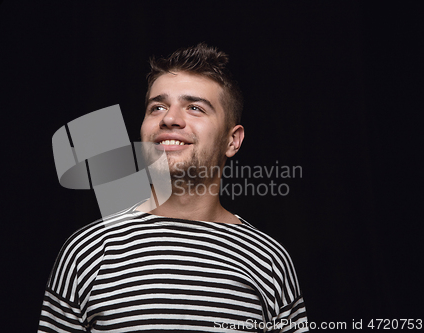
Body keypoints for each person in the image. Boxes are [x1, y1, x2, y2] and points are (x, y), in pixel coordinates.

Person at [38, 43, 308, 332]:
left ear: (233, 141)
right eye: (158, 107)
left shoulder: (268, 260)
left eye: (194, 107)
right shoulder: (87, 252)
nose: (169, 119)